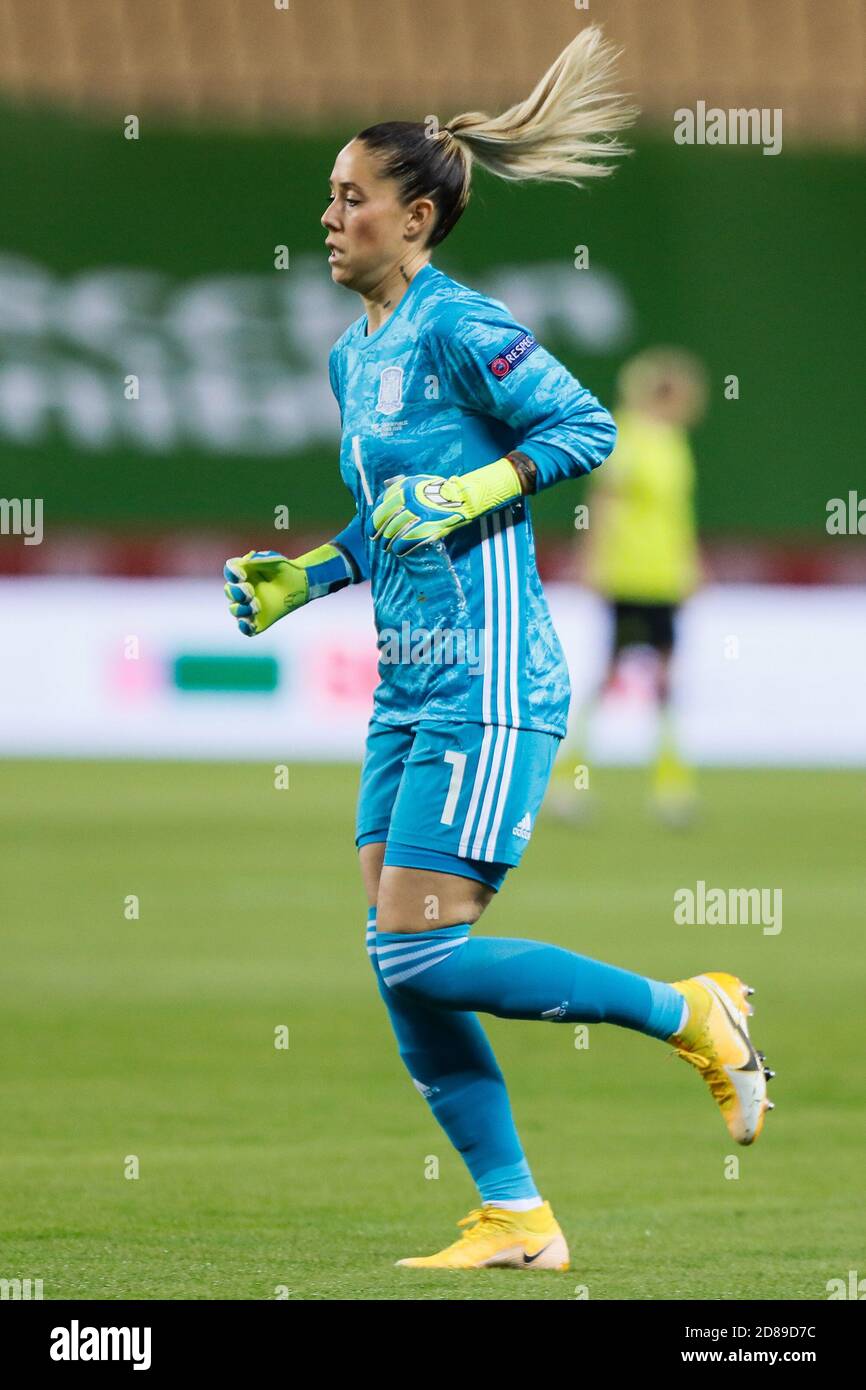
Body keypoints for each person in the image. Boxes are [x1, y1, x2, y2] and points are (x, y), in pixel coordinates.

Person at [222, 28, 773, 1273]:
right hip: (406, 690)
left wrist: (476, 491)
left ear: (415, 217)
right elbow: (393, 516)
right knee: (401, 963)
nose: (328, 216)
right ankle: (516, 1216)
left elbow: (582, 429)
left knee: (420, 947)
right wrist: (308, 574)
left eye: (350, 198)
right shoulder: (352, 357)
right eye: (328, 197)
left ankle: (692, 1011)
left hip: (489, 683)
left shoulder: (461, 326)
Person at [549, 347, 708, 824]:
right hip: (631, 574)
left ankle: (670, 785)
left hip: (663, 576)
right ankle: (570, 781)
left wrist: (690, 561)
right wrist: (593, 560)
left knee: (661, 678)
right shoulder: (628, 437)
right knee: (613, 675)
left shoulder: (671, 440)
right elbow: (605, 501)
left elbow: (675, 513)